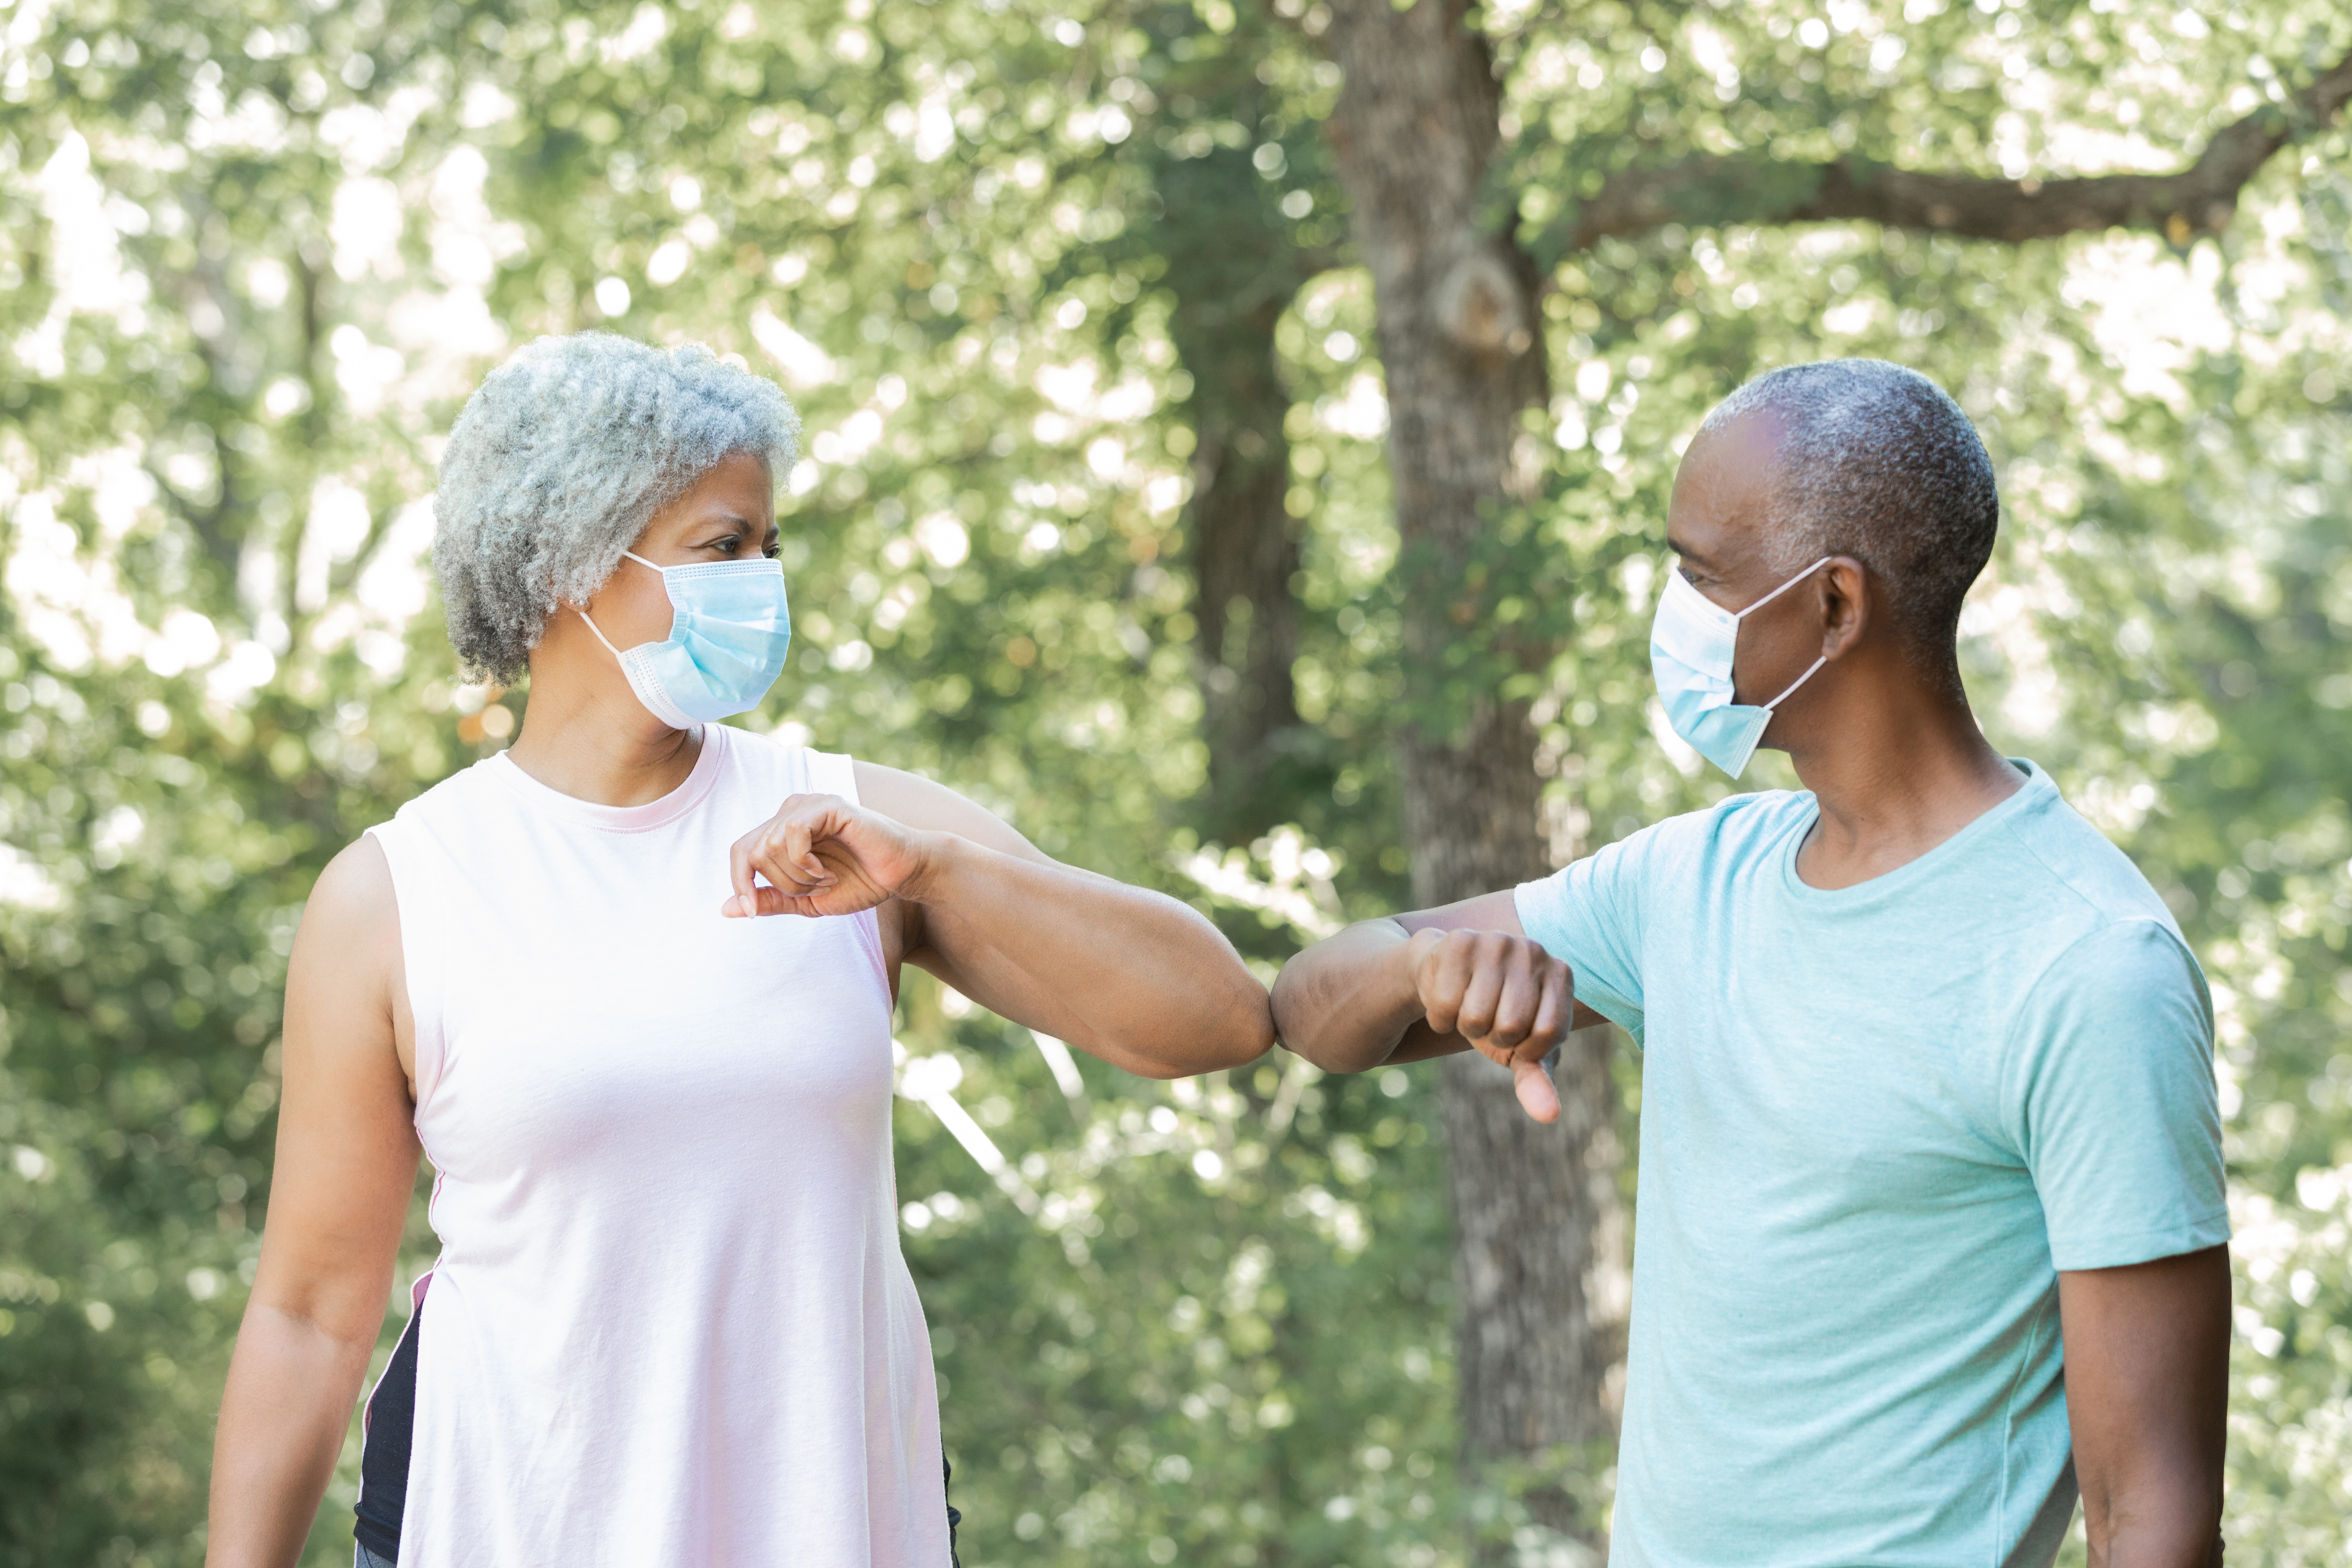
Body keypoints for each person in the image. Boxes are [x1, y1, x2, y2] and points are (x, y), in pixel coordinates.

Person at [204, 333, 1274, 1568]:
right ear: (570, 564)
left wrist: (940, 871)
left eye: (771, 548)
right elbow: (309, 1314)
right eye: (724, 548)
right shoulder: (400, 893)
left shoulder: (859, 824)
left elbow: (1218, 1017)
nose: (762, 585)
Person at [1273, 360, 2229, 1567]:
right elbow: (1308, 1008)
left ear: (1834, 606)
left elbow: (2155, 1511)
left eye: (1698, 576)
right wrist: (1426, 975)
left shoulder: (2090, 969)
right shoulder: (1690, 881)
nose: (1669, 615)